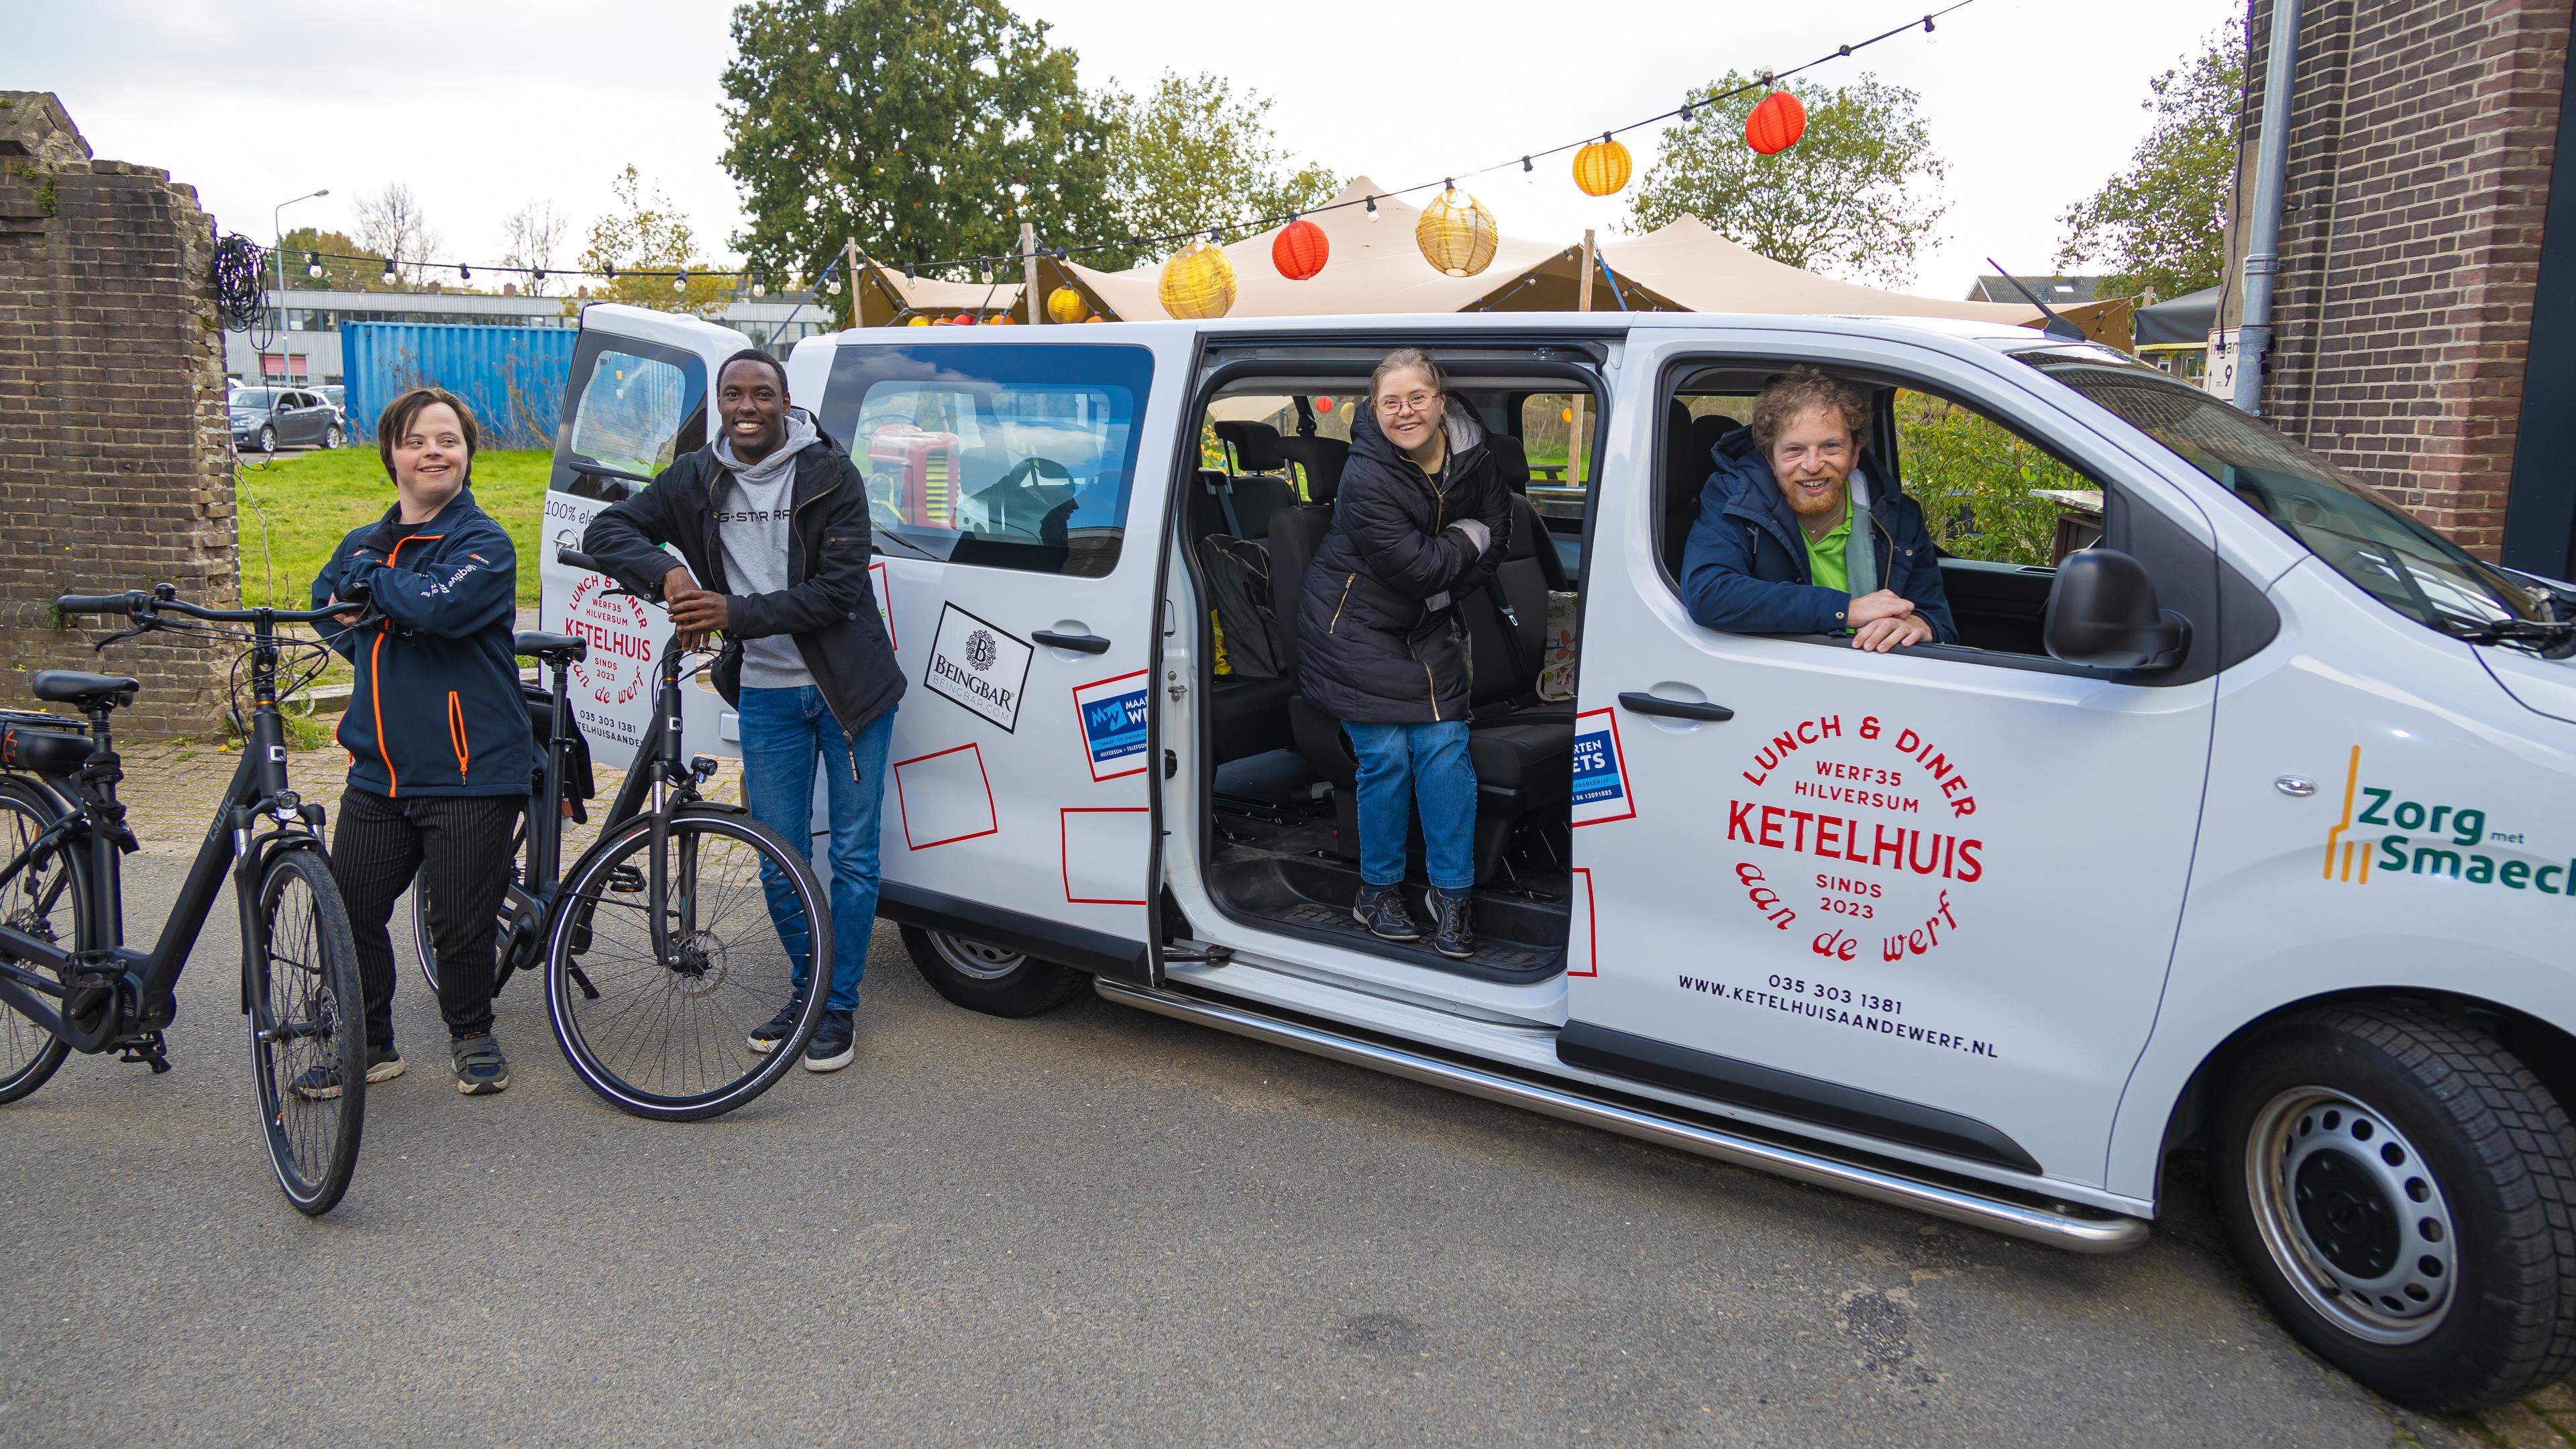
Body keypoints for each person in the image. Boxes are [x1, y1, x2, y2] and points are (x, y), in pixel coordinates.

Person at [582, 349, 902, 1073]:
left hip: (848, 693)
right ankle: (810, 987)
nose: (747, 406)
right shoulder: (697, 476)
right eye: (734, 394)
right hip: (765, 695)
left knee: (852, 856)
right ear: (720, 403)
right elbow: (606, 532)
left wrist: (729, 612)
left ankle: (833, 1007)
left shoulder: (829, 473)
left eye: (762, 394)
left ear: (786, 402)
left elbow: (838, 592)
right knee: (779, 860)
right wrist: (671, 578)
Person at [305, 386, 532, 1097]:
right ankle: (370, 1044)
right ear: (391, 457)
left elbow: (438, 607)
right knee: (348, 911)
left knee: (459, 924)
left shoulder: (483, 543)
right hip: (378, 769)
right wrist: (386, 647)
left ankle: (472, 1034)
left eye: (448, 440)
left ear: (466, 454)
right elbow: (324, 607)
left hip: (471, 768)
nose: (433, 451)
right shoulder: (362, 542)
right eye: (416, 440)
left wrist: (379, 587)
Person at [1294, 348, 1509, 960]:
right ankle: (1378, 890)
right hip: (1352, 627)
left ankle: (1452, 895)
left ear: (1440, 401)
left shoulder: (1477, 457)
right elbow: (1422, 565)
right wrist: (1466, 539)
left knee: (1444, 750)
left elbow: (1499, 538)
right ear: (1375, 408)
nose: (1405, 411)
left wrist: (1454, 565)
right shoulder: (1366, 474)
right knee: (1386, 755)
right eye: (1391, 402)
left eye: (1417, 397)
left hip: (1429, 621)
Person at [1678, 366, 1957, 652]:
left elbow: (1938, 620)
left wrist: (1920, 626)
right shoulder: (1735, 499)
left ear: (1854, 454)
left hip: (1876, 675)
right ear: (1770, 459)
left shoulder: (1898, 514)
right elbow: (1709, 594)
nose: (1812, 465)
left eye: (1830, 446)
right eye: (1794, 450)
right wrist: (1844, 610)